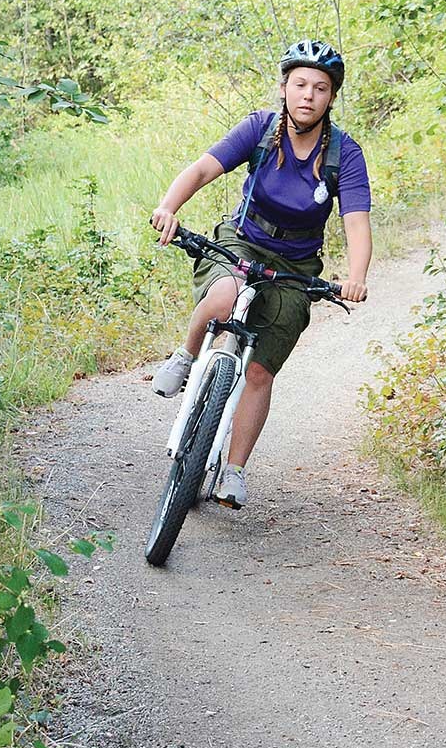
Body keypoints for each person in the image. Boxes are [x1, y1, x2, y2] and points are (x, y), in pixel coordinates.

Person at [150, 39, 372, 510]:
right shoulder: (260, 129)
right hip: (243, 240)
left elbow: (356, 223)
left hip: (296, 266)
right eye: (300, 84)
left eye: (320, 87)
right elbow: (203, 169)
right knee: (225, 294)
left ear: (331, 97)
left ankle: (233, 471)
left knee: (258, 371)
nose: (308, 95)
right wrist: (169, 207)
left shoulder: (344, 155)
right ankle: (187, 356)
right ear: (284, 88)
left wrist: (356, 276)